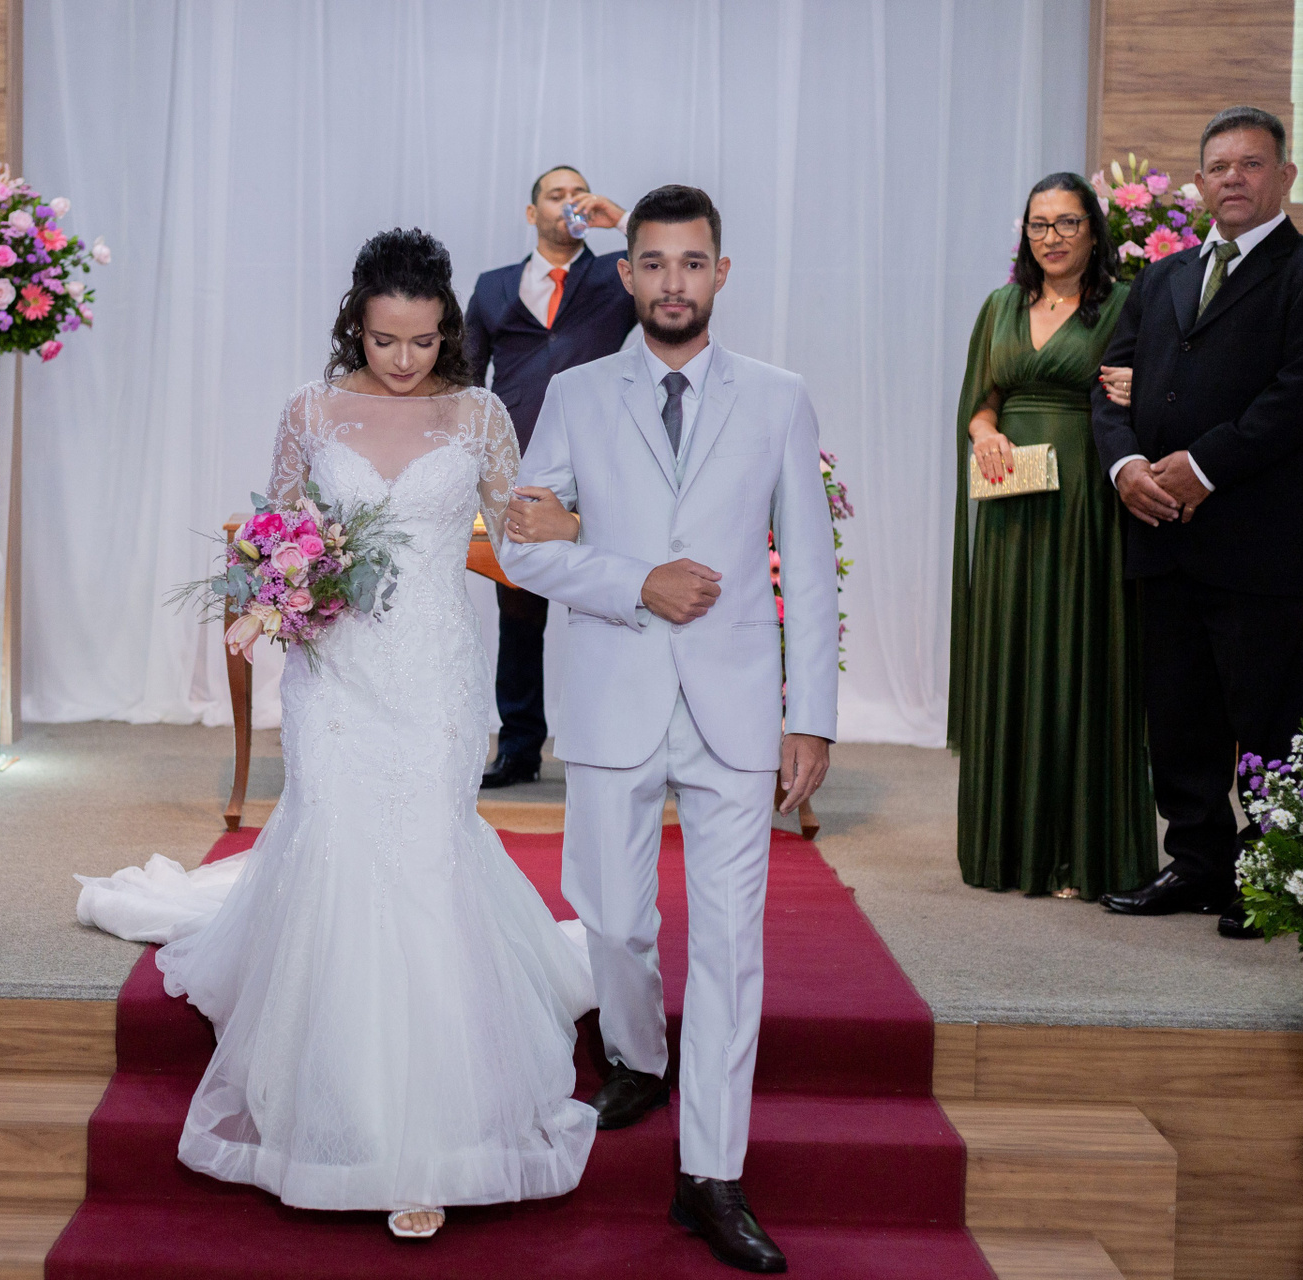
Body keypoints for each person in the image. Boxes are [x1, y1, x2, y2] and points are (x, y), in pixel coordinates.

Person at [77, 229, 597, 1240]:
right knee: (344, 852)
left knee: (424, 859)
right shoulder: (310, 411)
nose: (403, 360)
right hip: (336, 674)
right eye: (384, 339)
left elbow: (518, 537)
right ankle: (347, 1114)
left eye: (423, 340)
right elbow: (279, 533)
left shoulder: (481, 414)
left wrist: (582, 528)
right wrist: (269, 594)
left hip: (437, 674)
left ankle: (434, 1133)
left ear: (448, 329)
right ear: (355, 323)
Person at [498, 185, 838, 1273]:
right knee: (613, 917)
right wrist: (635, 579)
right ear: (628, 273)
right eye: (654, 263)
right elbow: (524, 546)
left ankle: (711, 1175)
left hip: (736, 706)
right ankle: (638, 1056)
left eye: (693, 263)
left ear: (720, 273)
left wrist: (811, 716)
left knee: (733, 946)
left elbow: (811, 569)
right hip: (613, 692)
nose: (674, 282)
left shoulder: (779, 397)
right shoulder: (575, 393)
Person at [1094, 105, 1303, 937]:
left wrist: (1203, 466)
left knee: (1264, 719)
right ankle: (1198, 863)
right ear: (1200, 182)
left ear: (1285, 176)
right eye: (1219, 167)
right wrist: (1125, 468)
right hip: (1159, 529)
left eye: (1251, 164)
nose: (1233, 179)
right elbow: (1110, 383)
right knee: (1178, 715)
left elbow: (1298, 400)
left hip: (1256, 540)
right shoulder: (1162, 279)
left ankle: (1266, 872)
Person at [946, 173, 1156, 900]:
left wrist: (1137, 388)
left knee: (1081, 658)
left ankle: (1078, 853)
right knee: (1013, 652)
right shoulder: (999, 307)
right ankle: (1009, 851)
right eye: (1039, 224)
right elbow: (982, 402)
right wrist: (984, 434)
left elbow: (1152, 396)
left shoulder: (1125, 304)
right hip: (1013, 507)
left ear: (1094, 231)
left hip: (1087, 508)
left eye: (1068, 222)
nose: (1052, 237)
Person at [464, 166, 636, 788]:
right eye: (555, 195)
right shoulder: (492, 287)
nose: (569, 203)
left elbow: (666, 267)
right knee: (519, 611)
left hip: (605, 465)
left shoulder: (618, 277)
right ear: (531, 212)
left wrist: (623, 221)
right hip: (517, 471)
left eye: (577, 194)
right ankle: (518, 748)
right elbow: (467, 379)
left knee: (614, 604)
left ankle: (622, 744)